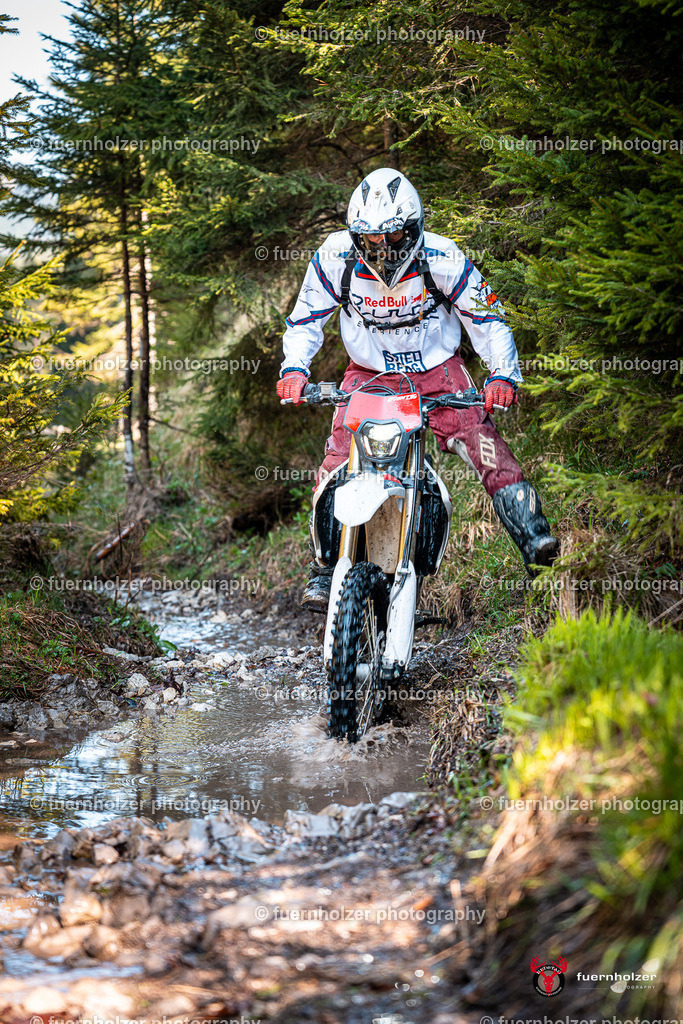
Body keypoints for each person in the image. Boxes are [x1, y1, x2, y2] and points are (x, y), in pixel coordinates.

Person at [277, 167, 559, 610]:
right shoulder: (334, 258)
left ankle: (535, 539)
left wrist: (503, 374)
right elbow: (305, 319)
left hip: (438, 371)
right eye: (370, 239)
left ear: (414, 227)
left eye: (393, 237)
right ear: (356, 236)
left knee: (479, 439)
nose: (383, 249)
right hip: (368, 373)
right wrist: (295, 368)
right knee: (337, 458)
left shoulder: (443, 258)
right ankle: (325, 566)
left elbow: (487, 319)